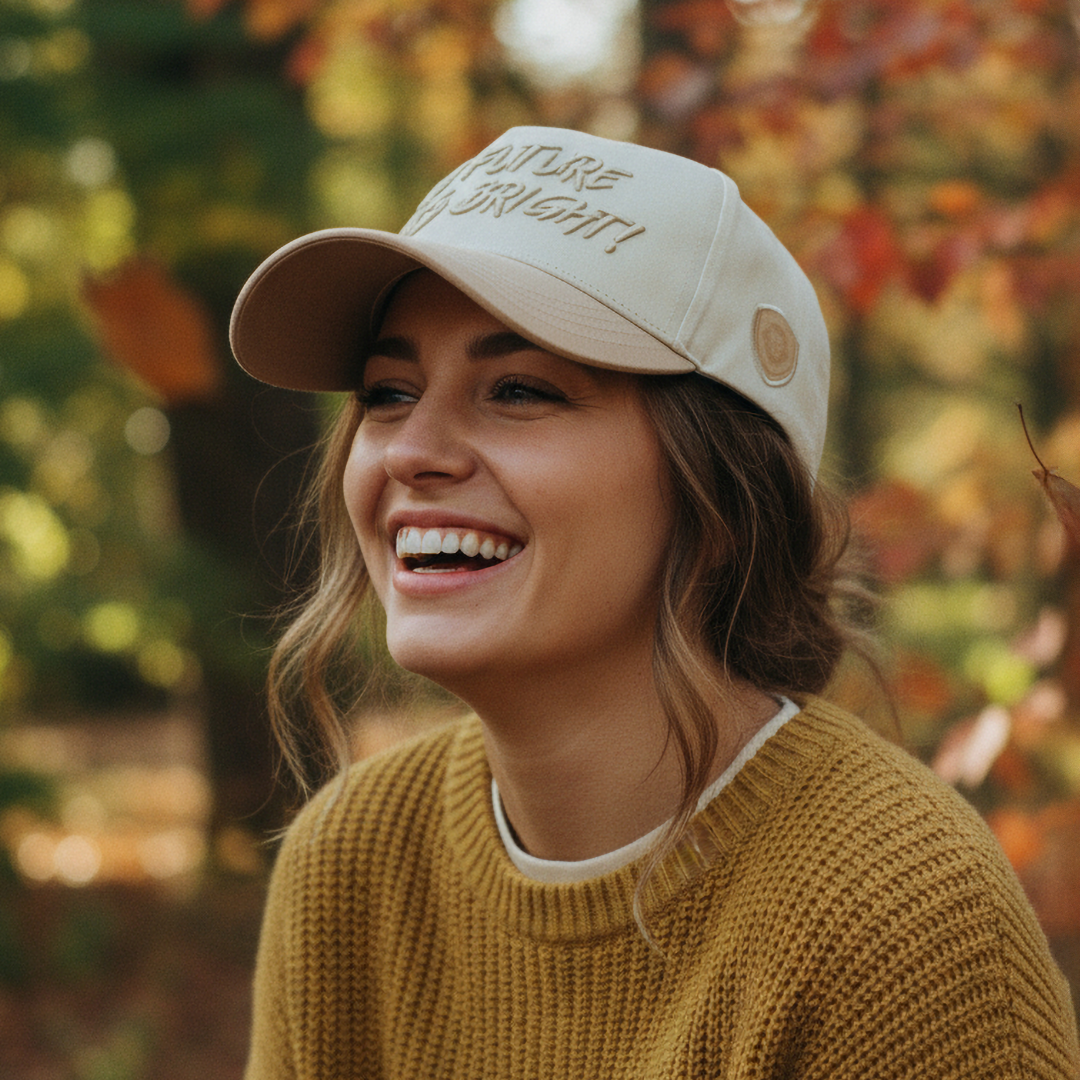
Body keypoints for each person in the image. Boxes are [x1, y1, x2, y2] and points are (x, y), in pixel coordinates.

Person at [229, 127, 1080, 1079]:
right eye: (388, 392)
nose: (411, 450)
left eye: (518, 389)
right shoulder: (350, 862)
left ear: (719, 484)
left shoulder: (896, 916)